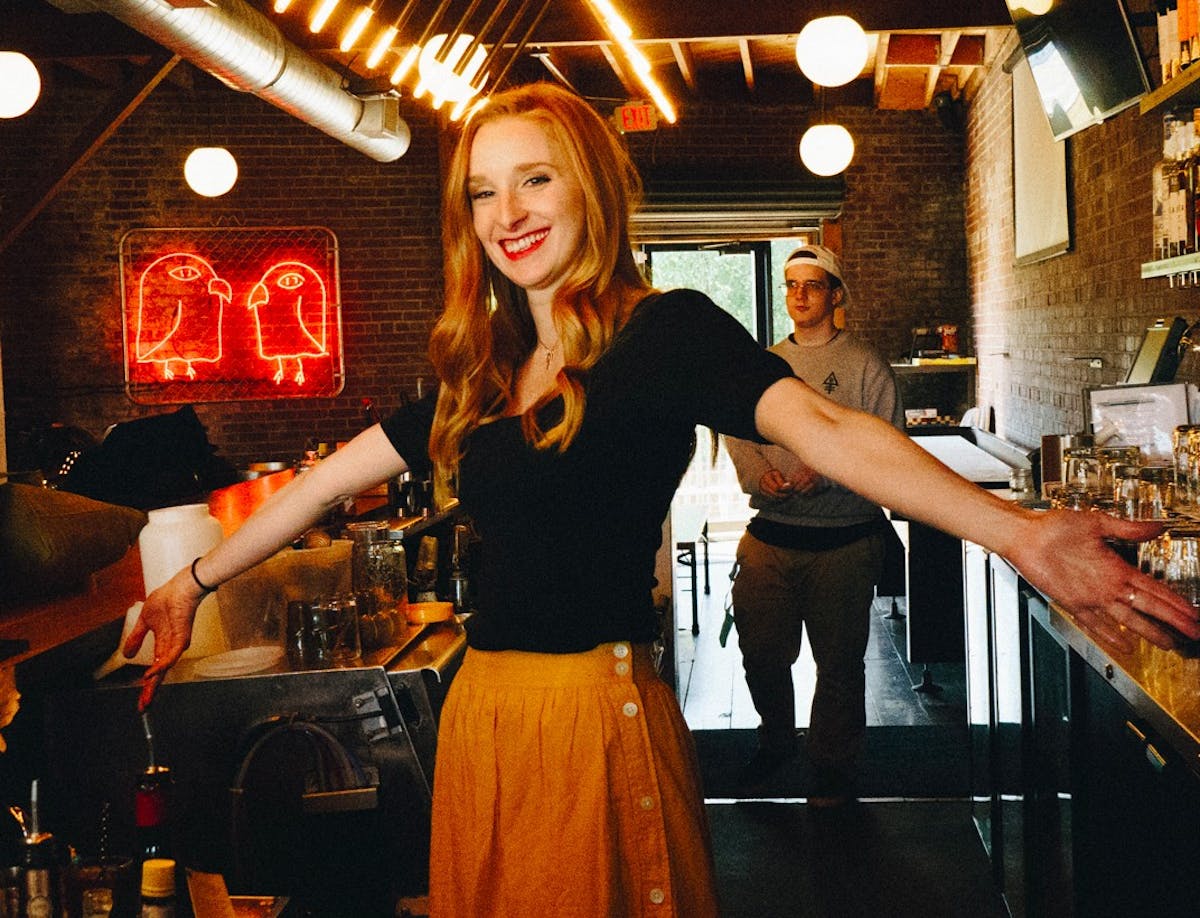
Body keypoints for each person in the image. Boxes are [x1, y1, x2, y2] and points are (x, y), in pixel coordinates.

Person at [125, 81, 1200, 916]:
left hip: (592, 713)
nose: (507, 214)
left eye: (535, 180)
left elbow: (828, 428)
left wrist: (1017, 533)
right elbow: (324, 482)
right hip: (486, 723)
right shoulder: (484, 372)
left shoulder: (665, 331)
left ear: (589, 186)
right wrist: (190, 581)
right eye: (484, 191)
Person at [723, 244, 903, 803]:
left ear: (835, 294)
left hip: (844, 541)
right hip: (770, 539)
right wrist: (758, 476)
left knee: (840, 663)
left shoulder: (866, 365)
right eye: (791, 285)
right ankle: (776, 739)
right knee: (761, 654)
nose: (799, 295)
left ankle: (831, 765)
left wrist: (827, 475)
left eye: (812, 285)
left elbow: (888, 449)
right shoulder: (764, 364)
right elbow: (738, 429)